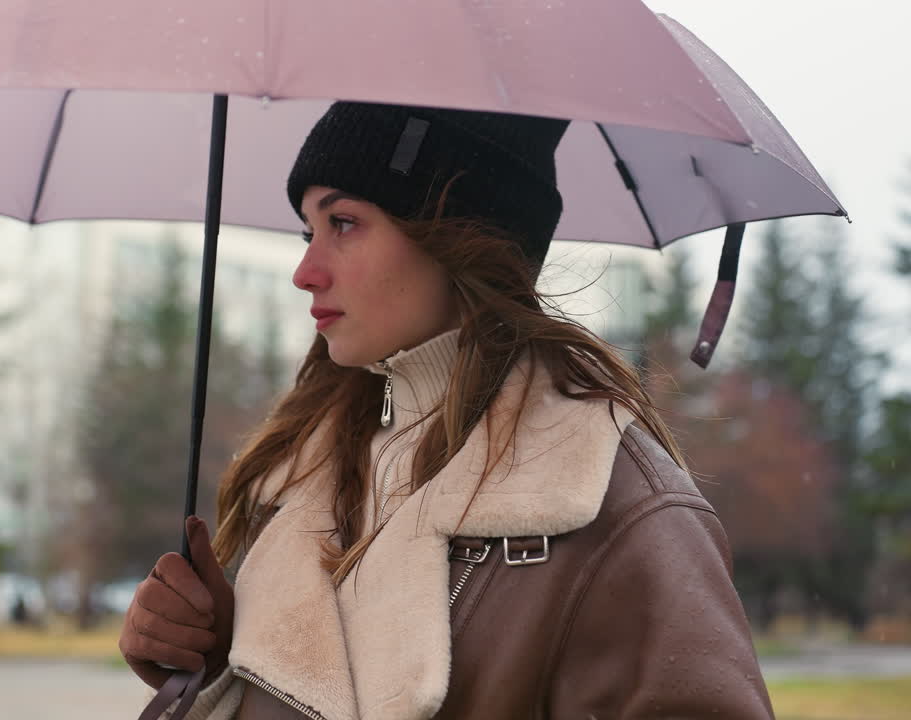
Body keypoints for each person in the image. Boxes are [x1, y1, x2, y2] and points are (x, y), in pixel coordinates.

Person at [120, 101, 774, 719]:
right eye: (307, 230)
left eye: (342, 223)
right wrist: (221, 661)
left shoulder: (619, 509)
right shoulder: (303, 475)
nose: (305, 270)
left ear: (456, 234)